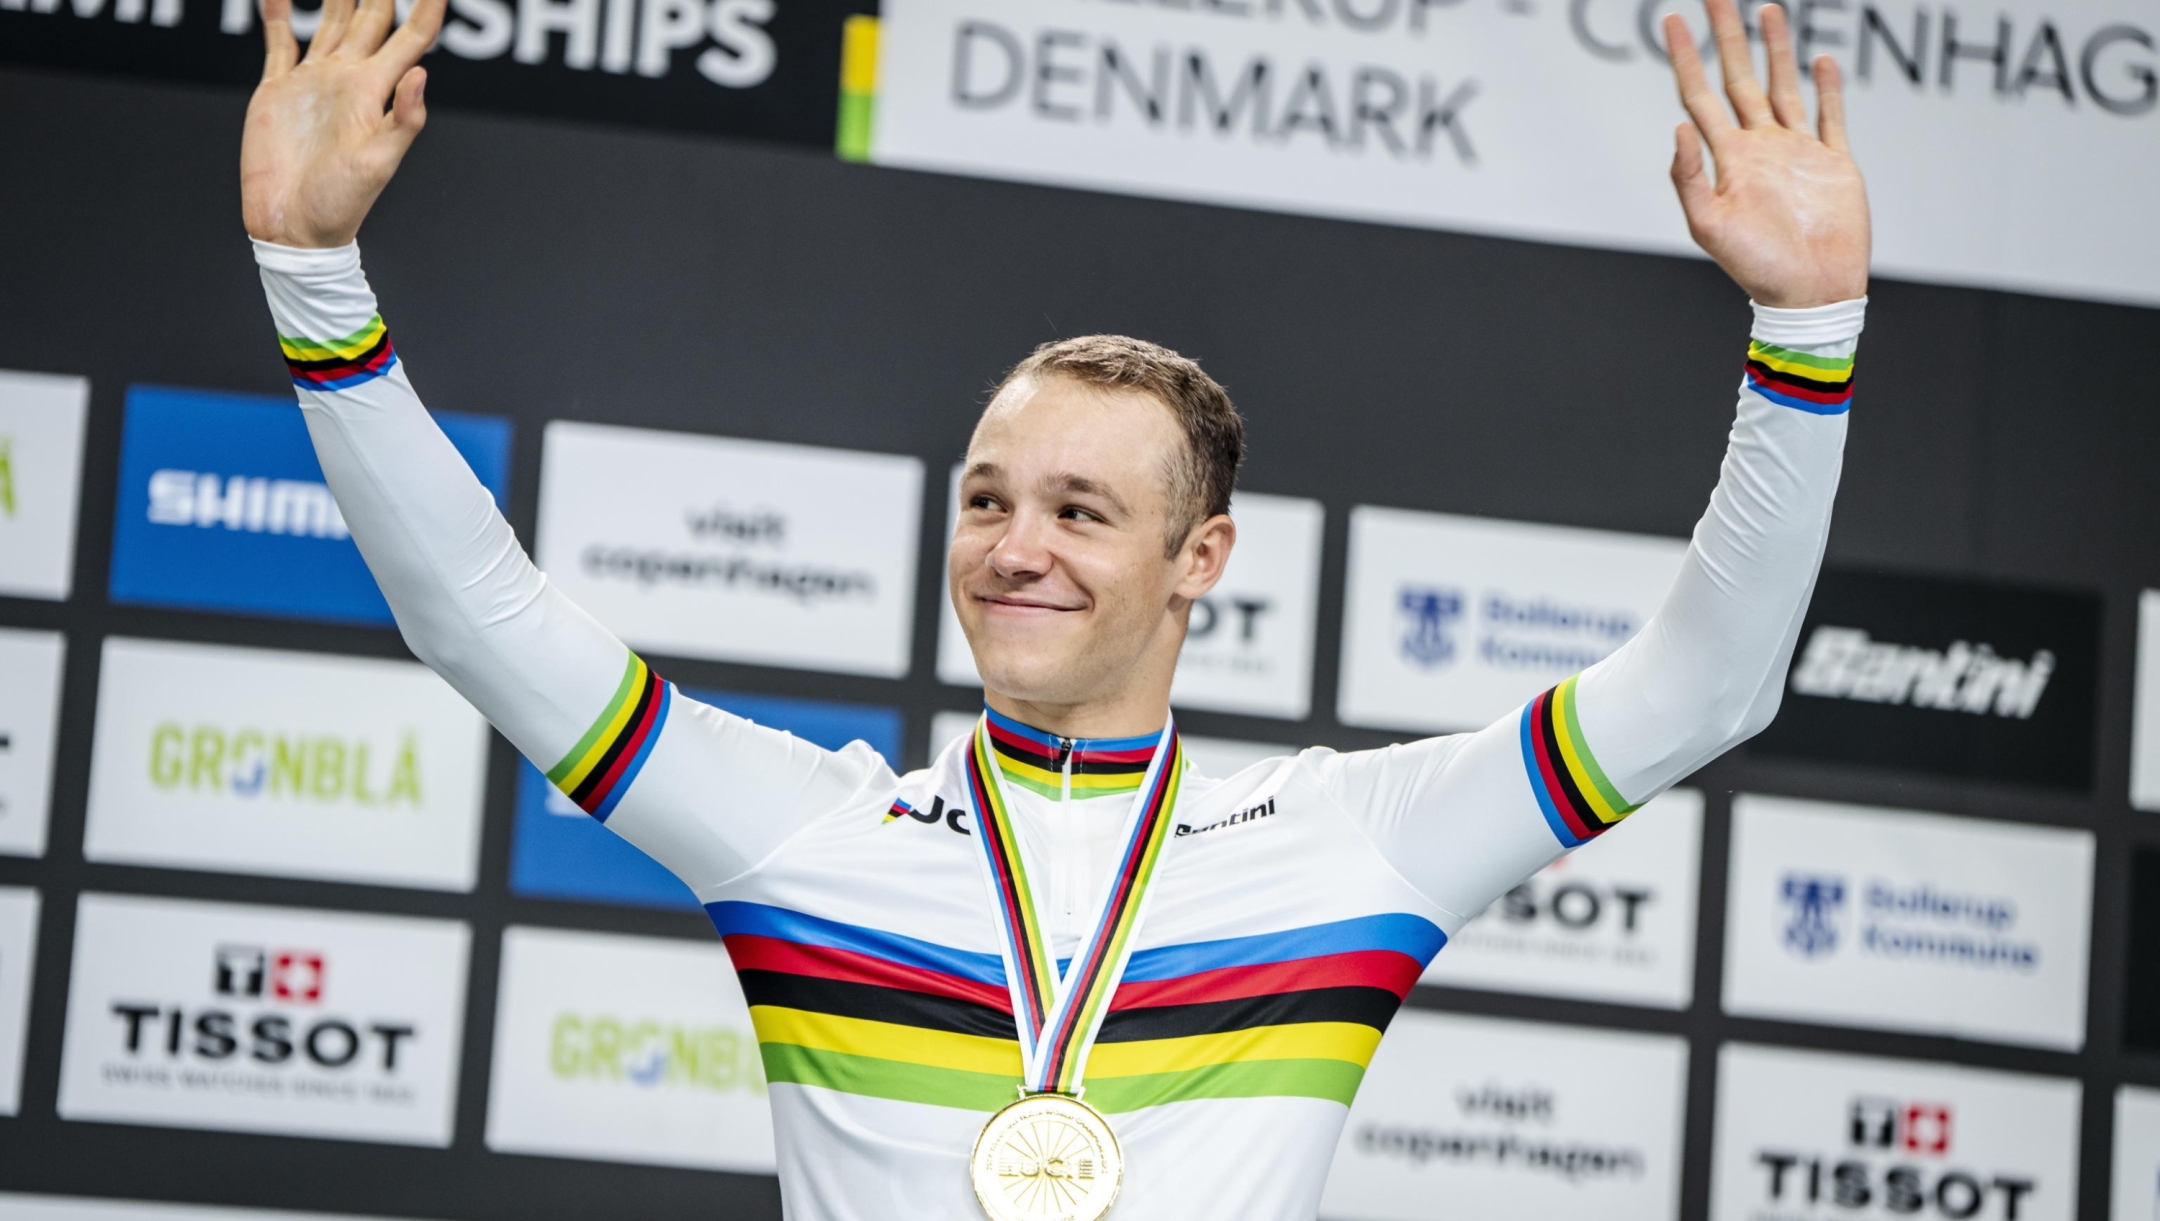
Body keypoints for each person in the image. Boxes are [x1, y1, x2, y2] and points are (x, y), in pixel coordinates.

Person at [237, 0, 1868, 1212]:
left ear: (1199, 560)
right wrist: (314, 276)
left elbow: (1705, 688)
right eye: (989, 498)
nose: (1016, 545)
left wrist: (1807, 337)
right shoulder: (809, 836)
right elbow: (481, 618)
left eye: (1084, 511)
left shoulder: (1356, 846)